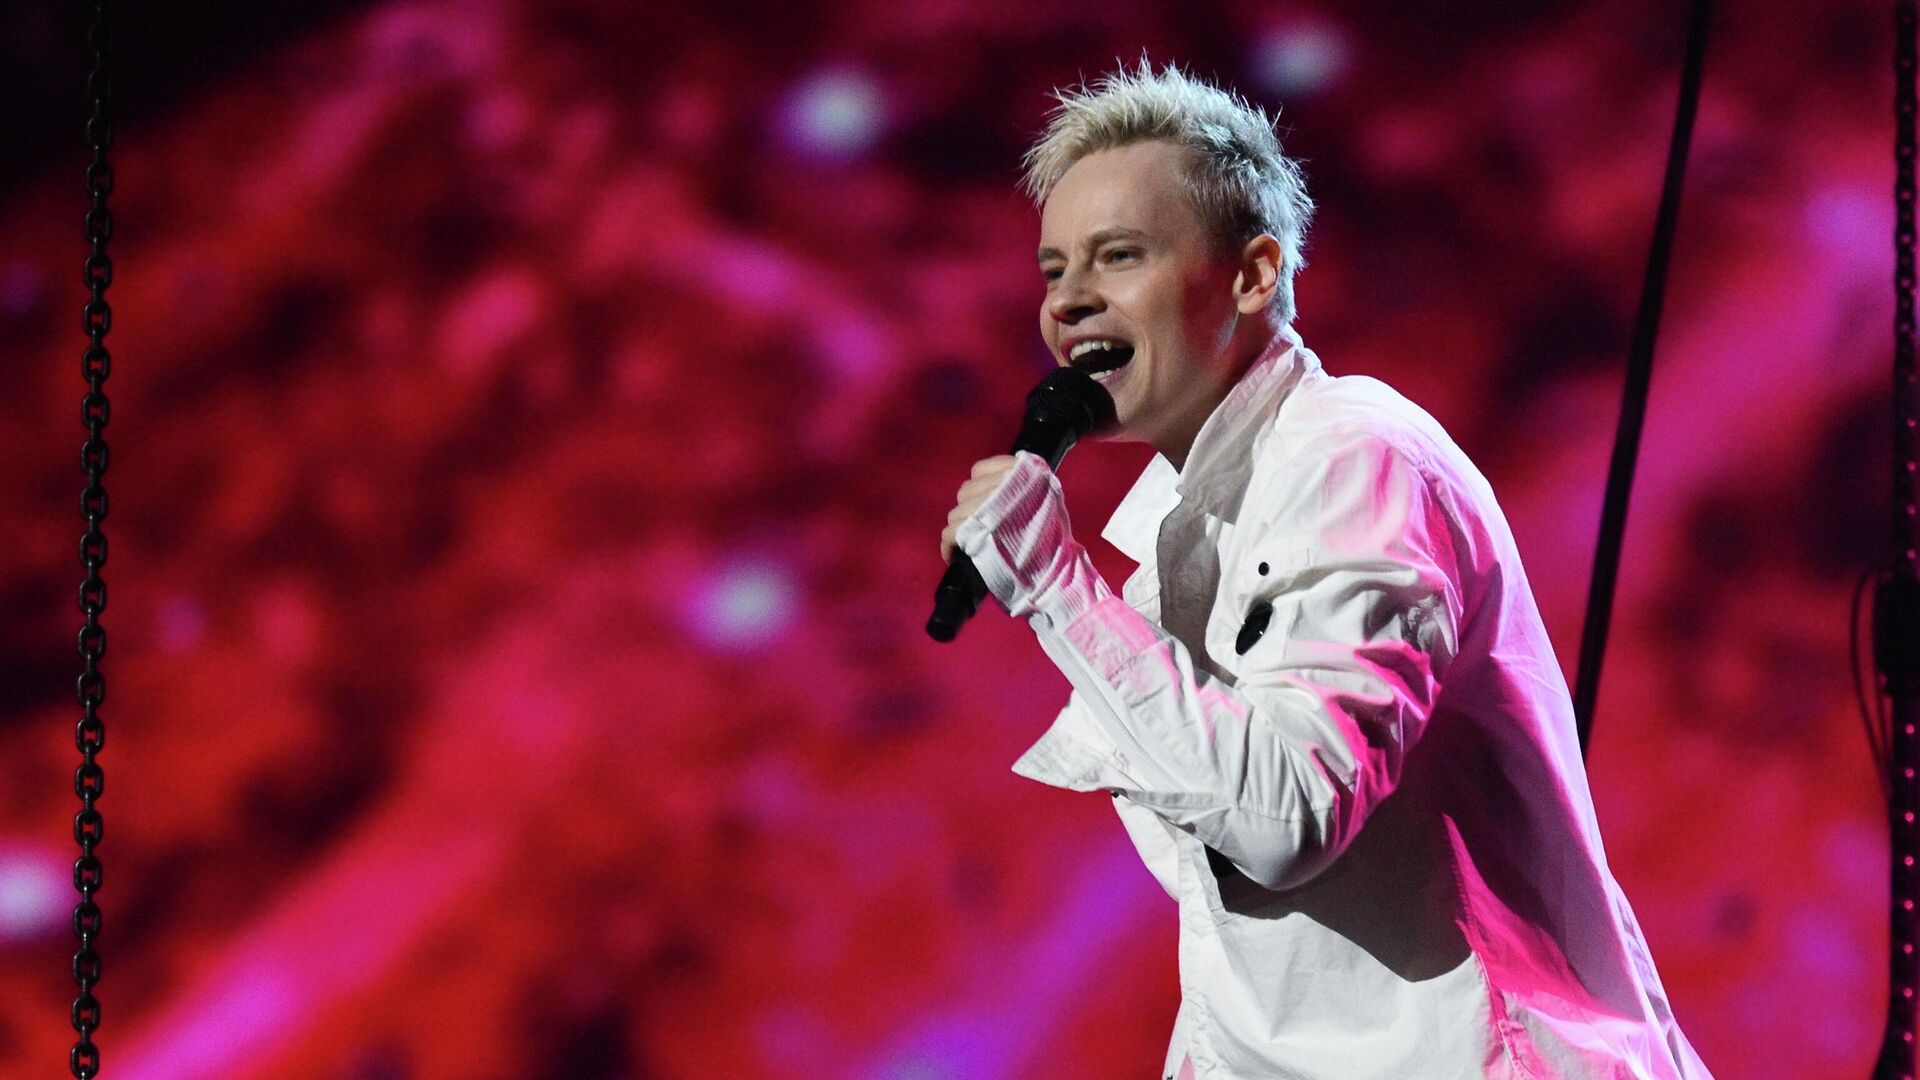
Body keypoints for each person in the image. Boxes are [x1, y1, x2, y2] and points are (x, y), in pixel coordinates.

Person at [938, 62, 1713, 1080]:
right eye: (1053, 271)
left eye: (1118, 256)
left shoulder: (1356, 459)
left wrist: (1055, 590)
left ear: (1254, 276)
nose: (1070, 301)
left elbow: (1289, 816)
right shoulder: (1180, 535)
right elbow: (1244, 934)